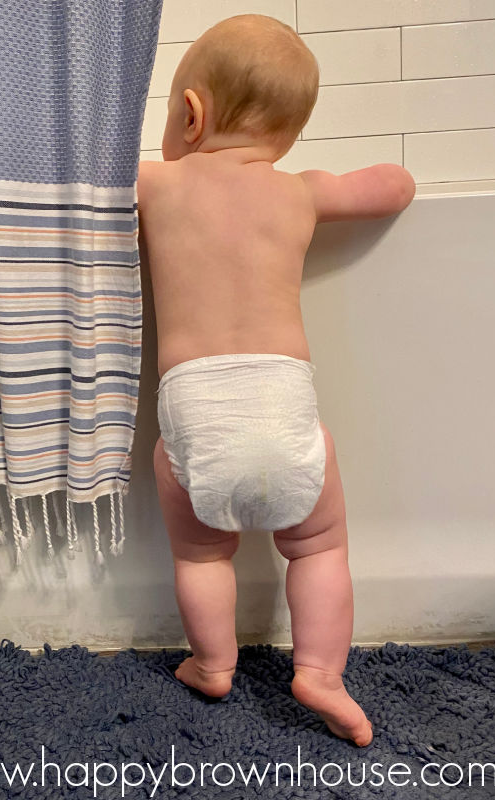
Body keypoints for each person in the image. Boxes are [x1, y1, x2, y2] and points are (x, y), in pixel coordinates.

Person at [137, 13, 415, 748]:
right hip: (284, 403)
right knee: (319, 547)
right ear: (287, 134)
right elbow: (395, 184)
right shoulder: (299, 192)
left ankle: (212, 662)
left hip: (197, 412)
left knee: (202, 553)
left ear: (189, 113)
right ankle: (321, 671)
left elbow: (79, 195)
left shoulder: (155, 186)